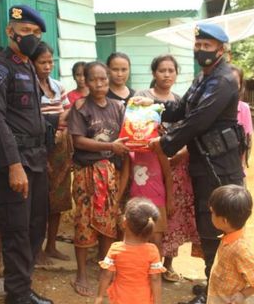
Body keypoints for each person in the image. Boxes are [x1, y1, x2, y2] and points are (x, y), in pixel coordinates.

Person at [139, 23, 244, 304]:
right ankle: (213, 284)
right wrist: (151, 108)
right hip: (204, 161)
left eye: (207, 46)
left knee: (220, 225)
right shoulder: (203, 78)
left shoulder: (222, 80)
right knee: (207, 223)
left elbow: (199, 120)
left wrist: (165, 143)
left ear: (221, 50)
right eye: (198, 46)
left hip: (219, 165)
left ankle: (219, 291)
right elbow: (182, 108)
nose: (201, 51)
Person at [0, 5, 53, 304]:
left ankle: (22, 288)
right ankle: (18, 296)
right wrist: (13, 164)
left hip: (36, 158)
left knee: (36, 227)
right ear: (10, 32)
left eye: (36, 33)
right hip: (16, 160)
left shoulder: (27, 65)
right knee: (17, 231)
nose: (31, 37)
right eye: (26, 32)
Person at [136, 54, 202, 282]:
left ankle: (167, 265)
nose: (166, 74)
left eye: (171, 71)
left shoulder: (179, 102)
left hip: (176, 166)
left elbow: (190, 133)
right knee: (148, 216)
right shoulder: (142, 97)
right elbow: (134, 127)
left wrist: (181, 154)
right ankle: (144, 263)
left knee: (173, 217)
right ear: (154, 73)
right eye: (162, 70)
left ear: (176, 74)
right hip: (149, 166)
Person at [67, 61, 129, 297]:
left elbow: (127, 134)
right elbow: (78, 141)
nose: (100, 84)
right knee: (83, 223)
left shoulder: (117, 107)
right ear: (85, 80)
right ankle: (81, 273)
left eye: (103, 79)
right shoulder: (81, 107)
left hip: (110, 173)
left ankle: (105, 267)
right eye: (94, 79)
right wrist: (110, 146)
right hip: (87, 173)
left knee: (109, 223)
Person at [30, 41, 72, 265]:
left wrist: (60, 133)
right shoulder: (29, 89)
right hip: (40, 150)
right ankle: (37, 250)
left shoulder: (58, 87)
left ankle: (52, 246)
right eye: (42, 62)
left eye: (50, 62)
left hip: (60, 150)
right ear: (32, 63)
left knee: (59, 200)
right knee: (40, 203)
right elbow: (33, 122)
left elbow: (66, 115)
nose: (47, 66)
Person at [95, 198, 166, 304]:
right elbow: (155, 279)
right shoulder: (153, 251)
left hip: (120, 299)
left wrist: (99, 297)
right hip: (143, 299)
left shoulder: (115, 249)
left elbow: (106, 275)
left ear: (124, 222)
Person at [117, 124, 173, 257]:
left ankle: (155, 272)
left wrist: (170, 200)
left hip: (157, 202)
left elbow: (168, 175)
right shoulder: (130, 151)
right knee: (133, 238)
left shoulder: (158, 149)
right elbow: (125, 175)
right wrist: (116, 200)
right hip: (136, 201)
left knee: (156, 241)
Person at [206, 185, 254, 304]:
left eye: (213, 213)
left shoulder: (239, 249)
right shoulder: (229, 237)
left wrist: (243, 294)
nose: (211, 215)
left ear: (224, 221)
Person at [231, 65, 252, 172]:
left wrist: (242, 164)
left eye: (235, 81)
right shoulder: (214, 107)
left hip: (237, 165)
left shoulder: (244, 109)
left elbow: (248, 139)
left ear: (240, 85)